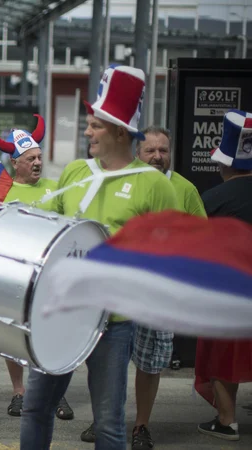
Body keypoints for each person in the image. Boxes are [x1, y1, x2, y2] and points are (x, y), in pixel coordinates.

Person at [19, 65, 177, 450]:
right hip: (61, 310)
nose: (87, 131)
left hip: (113, 321)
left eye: (96, 125)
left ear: (120, 131)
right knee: (36, 408)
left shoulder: (154, 184)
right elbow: (49, 233)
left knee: (108, 424)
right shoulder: (75, 172)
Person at [116, 125, 207, 448]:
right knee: (109, 360)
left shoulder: (185, 189)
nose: (157, 156)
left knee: (150, 363)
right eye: (150, 150)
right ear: (137, 153)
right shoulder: (120, 183)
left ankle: (141, 426)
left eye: (163, 150)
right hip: (119, 289)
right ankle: (107, 421)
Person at [0, 116, 74, 421]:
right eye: (31, 159)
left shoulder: (57, 188)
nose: (38, 162)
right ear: (15, 163)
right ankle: (18, 392)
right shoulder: (2, 191)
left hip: (51, 279)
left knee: (50, 336)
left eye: (39, 157)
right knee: (14, 336)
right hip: (16, 278)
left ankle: (55, 392)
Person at [194, 109, 252, 442]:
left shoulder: (212, 200)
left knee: (222, 353)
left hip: (228, 294)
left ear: (224, 163)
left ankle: (227, 420)